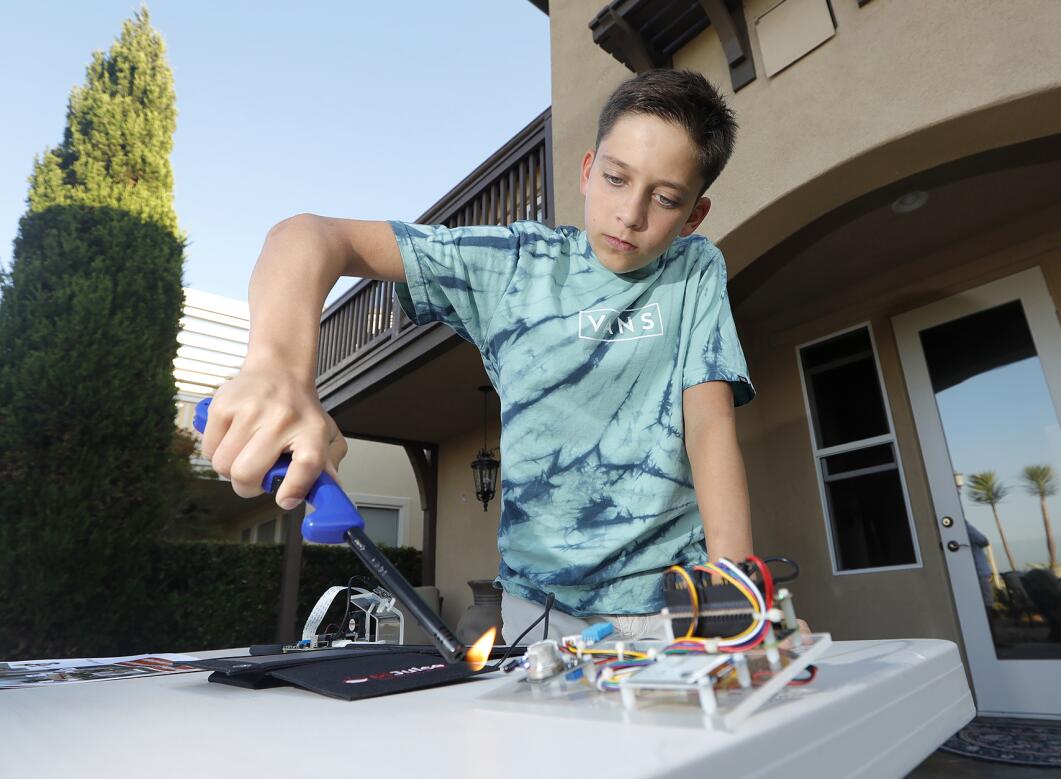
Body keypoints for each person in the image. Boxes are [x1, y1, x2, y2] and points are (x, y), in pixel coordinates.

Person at [201, 69, 756, 644]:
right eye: (616, 179)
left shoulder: (693, 269)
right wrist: (280, 371)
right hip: (537, 614)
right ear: (588, 171)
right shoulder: (516, 266)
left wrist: (735, 595)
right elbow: (307, 234)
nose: (631, 214)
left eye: (665, 199)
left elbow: (709, 425)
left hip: (670, 606)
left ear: (693, 215)